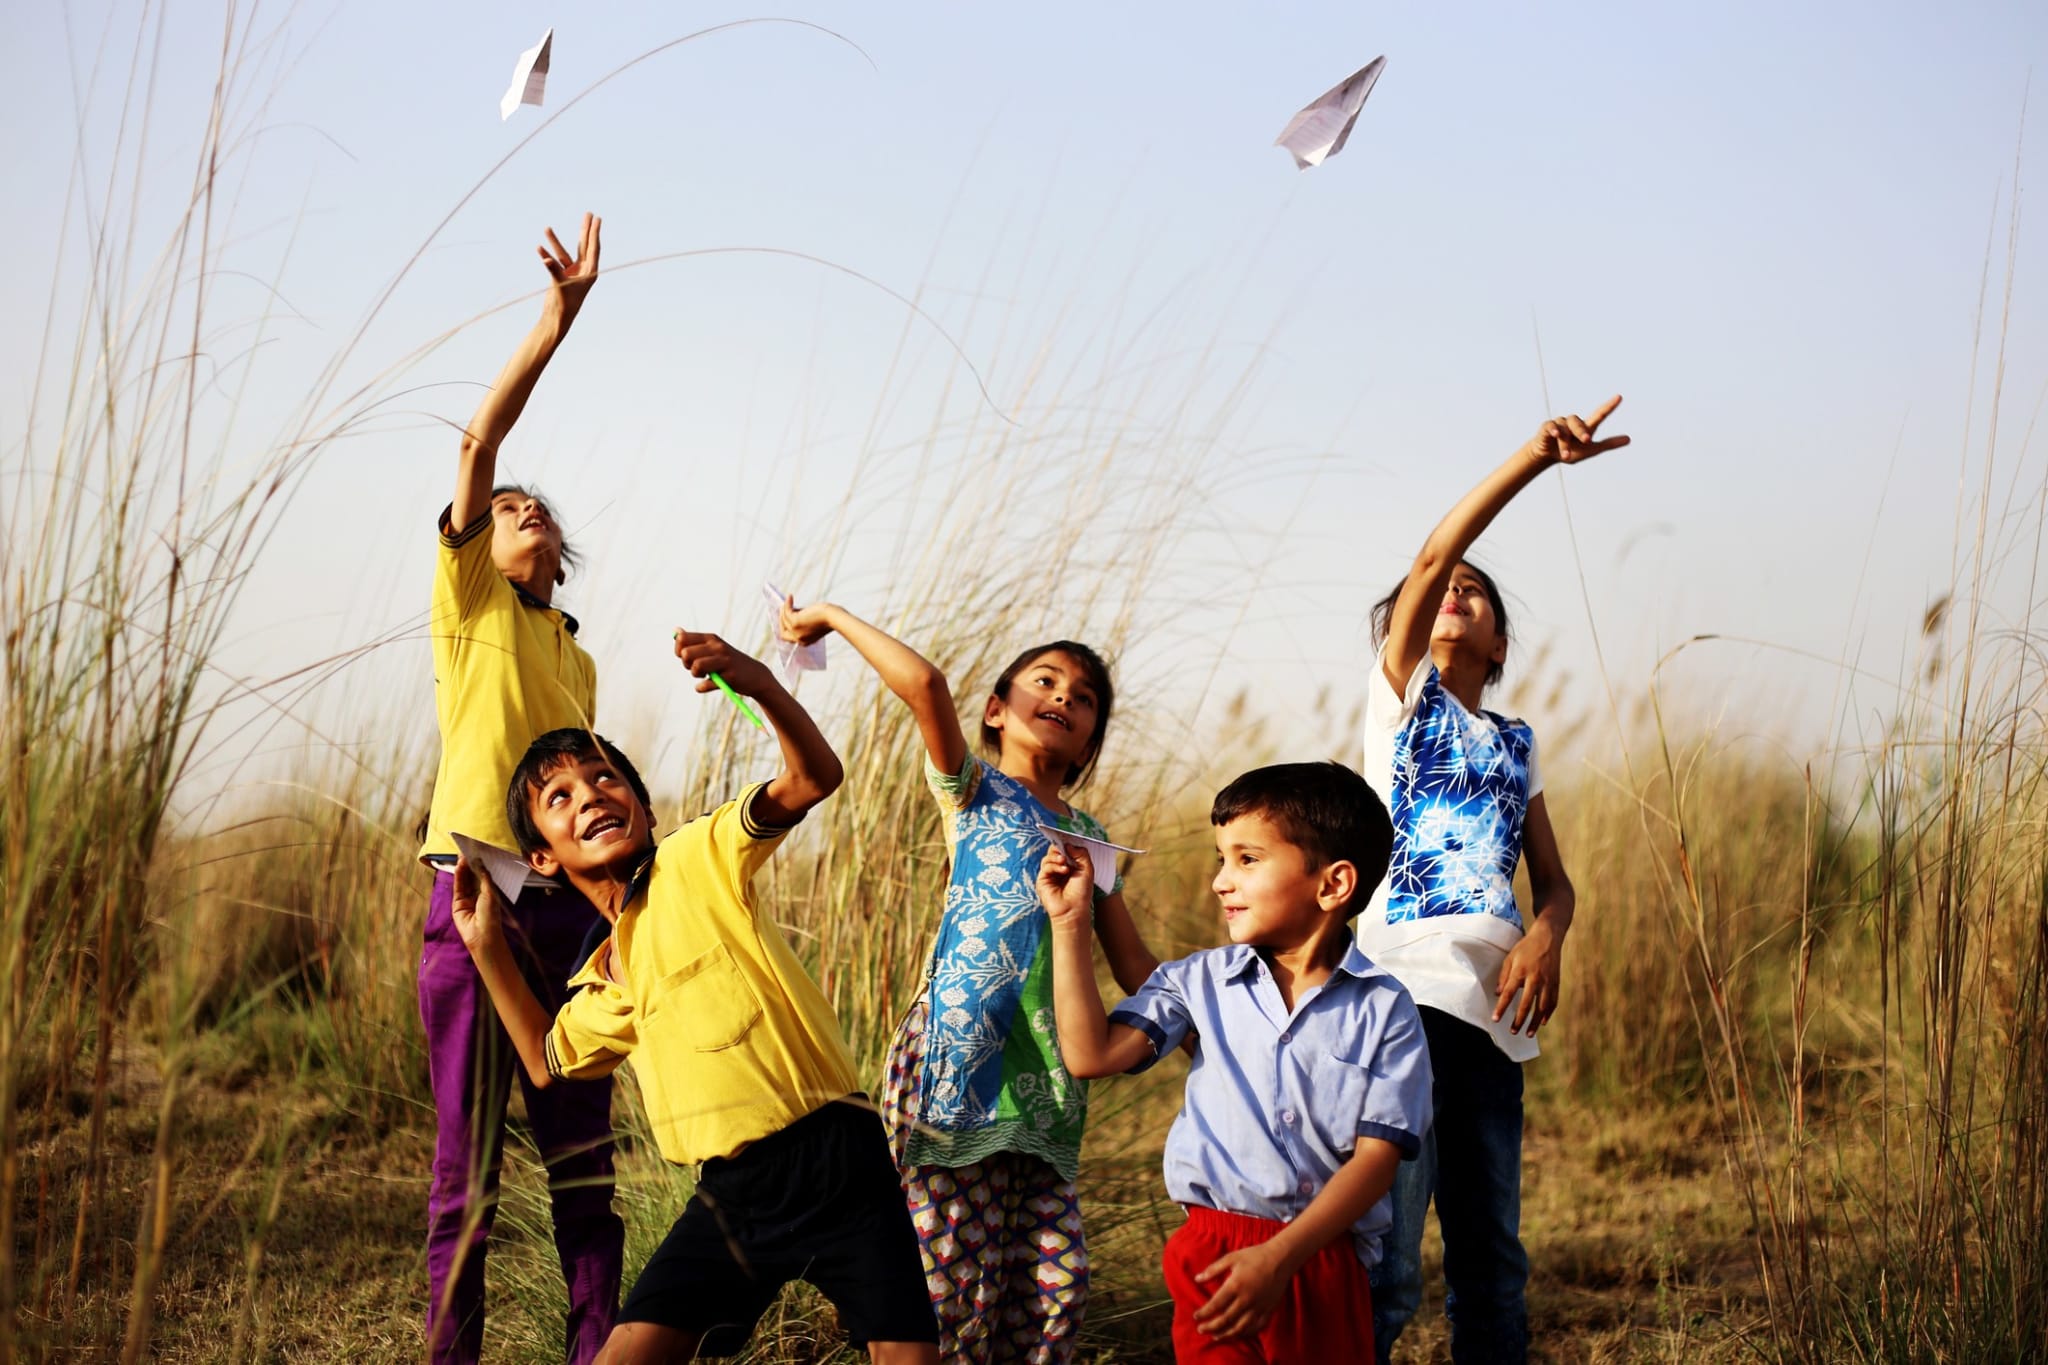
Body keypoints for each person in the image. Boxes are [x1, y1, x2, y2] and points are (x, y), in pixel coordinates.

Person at [448, 632, 940, 1363]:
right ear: (543, 857)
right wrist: (486, 947)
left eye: (606, 778)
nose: (590, 796)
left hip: (840, 1158)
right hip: (732, 1195)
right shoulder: (603, 981)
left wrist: (762, 682)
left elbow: (814, 776)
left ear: (643, 808)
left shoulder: (698, 855)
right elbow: (547, 1060)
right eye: (560, 796)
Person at [776, 601, 1159, 1361]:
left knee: (1052, 1292)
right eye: (1045, 682)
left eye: (1084, 699)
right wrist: (826, 616)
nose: (1063, 699)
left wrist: (1221, 1020)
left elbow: (1136, 967)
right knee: (948, 1289)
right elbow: (923, 682)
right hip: (956, 1072)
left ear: (1090, 739)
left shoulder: (1091, 840)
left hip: (1048, 1086)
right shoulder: (973, 792)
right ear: (995, 710)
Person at [1362, 397, 1631, 1363]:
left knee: (1493, 1264)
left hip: (1495, 1019)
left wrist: (1547, 933)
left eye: (1478, 594)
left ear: (1502, 646)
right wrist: (1533, 458)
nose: (1452, 593)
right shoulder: (1403, 712)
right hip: (1399, 1005)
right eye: (1440, 592)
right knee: (1385, 1265)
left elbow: (1555, 882)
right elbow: (1434, 553)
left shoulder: (1517, 743)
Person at [415, 211, 623, 1363]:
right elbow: (477, 445)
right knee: (466, 1191)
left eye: (535, 506)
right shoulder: (471, 610)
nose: (521, 508)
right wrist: (556, 320)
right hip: (469, 906)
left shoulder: (576, 655)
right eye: (504, 510)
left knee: (584, 1172)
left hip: (563, 917)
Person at [1039, 761, 1432, 1364]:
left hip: (1324, 1260)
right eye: (1221, 859)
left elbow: (1376, 1163)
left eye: (1247, 860)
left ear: (1333, 884)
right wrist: (1069, 924)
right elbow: (1092, 1054)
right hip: (1211, 1253)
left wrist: (1280, 1258)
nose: (1221, 881)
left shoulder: (1387, 1009)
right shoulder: (1194, 983)